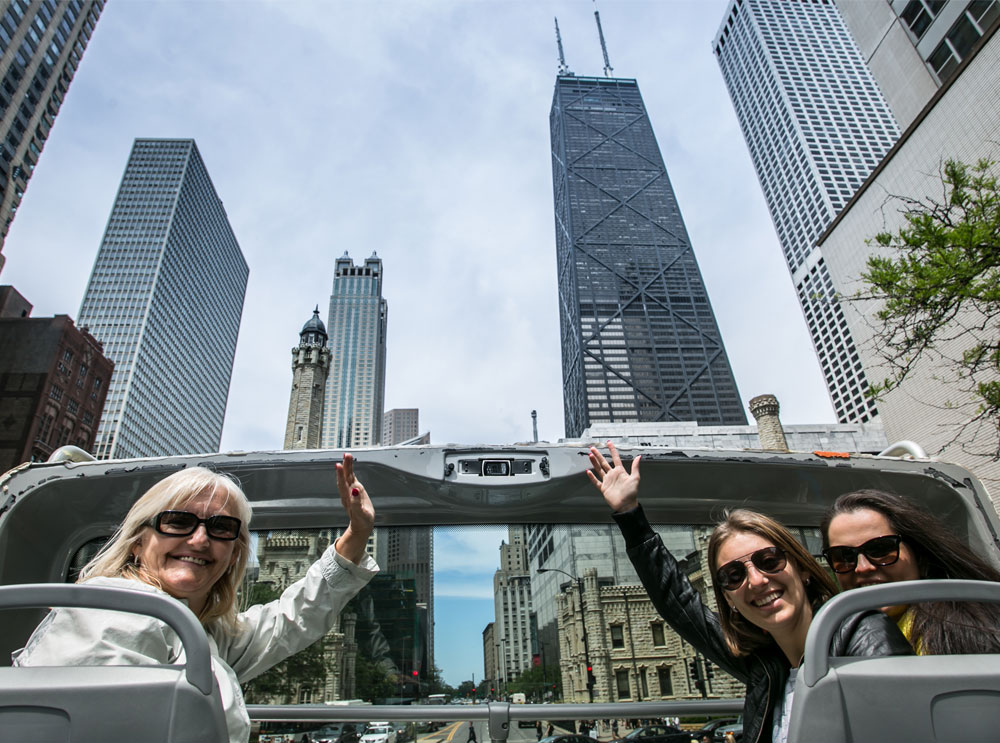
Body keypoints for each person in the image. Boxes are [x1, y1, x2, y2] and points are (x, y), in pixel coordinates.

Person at [12, 453, 378, 743]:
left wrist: (356, 534)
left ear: (234, 553)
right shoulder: (111, 612)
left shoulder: (199, 632)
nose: (200, 540)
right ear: (139, 540)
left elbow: (288, 621)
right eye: (177, 521)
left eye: (220, 528)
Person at [588, 442, 911, 743]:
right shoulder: (766, 667)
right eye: (733, 575)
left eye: (769, 561)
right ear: (728, 597)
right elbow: (679, 602)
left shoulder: (860, 635)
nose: (755, 581)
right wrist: (629, 513)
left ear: (802, 568)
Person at [821, 488, 1000, 654]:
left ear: (920, 557)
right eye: (843, 556)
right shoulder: (830, 641)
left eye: (880, 549)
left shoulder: (973, 633)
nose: (863, 567)